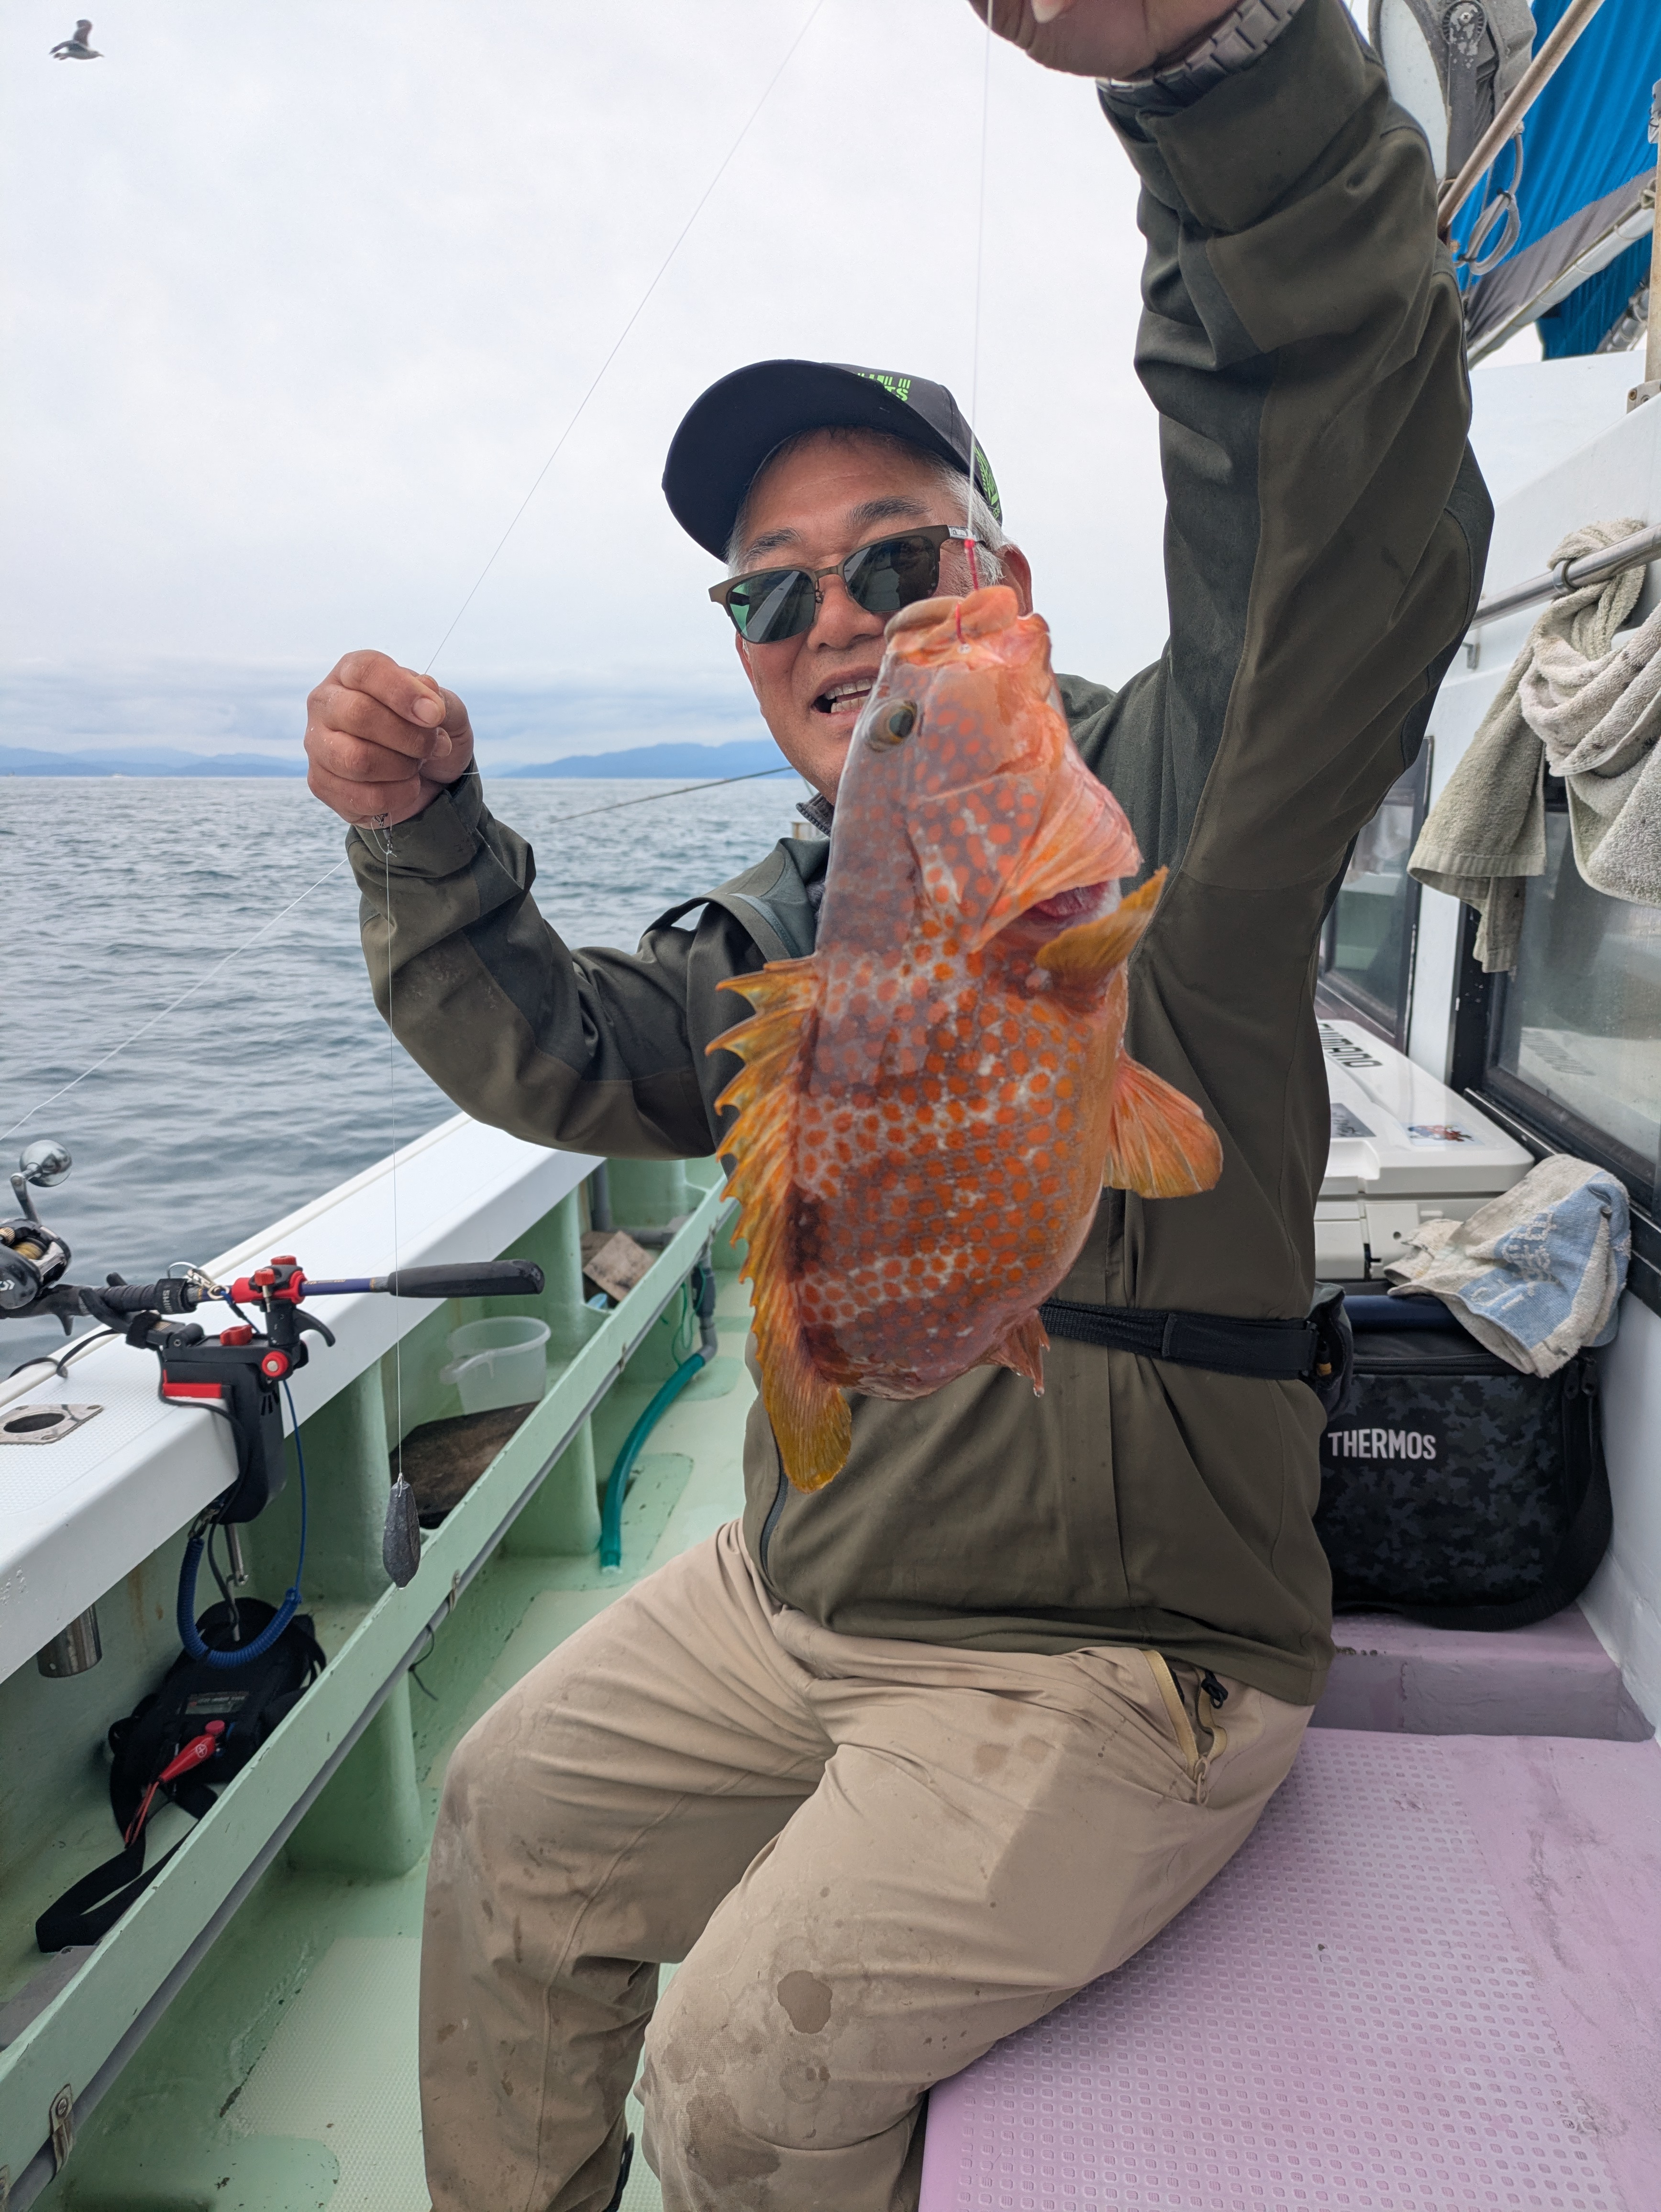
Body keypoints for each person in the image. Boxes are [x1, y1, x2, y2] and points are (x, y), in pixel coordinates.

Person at [304, 0, 1489, 2204]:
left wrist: (1220, 77)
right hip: (801, 1592)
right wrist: (427, 841)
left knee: (738, 2082)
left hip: (1108, 1659)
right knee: (505, 1819)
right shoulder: (796, 916)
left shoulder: (1182, 804)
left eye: (894, 559)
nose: (833, 617)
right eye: (769, 592)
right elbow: (562, 1048)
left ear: (1003, 584)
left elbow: (1326, 510)